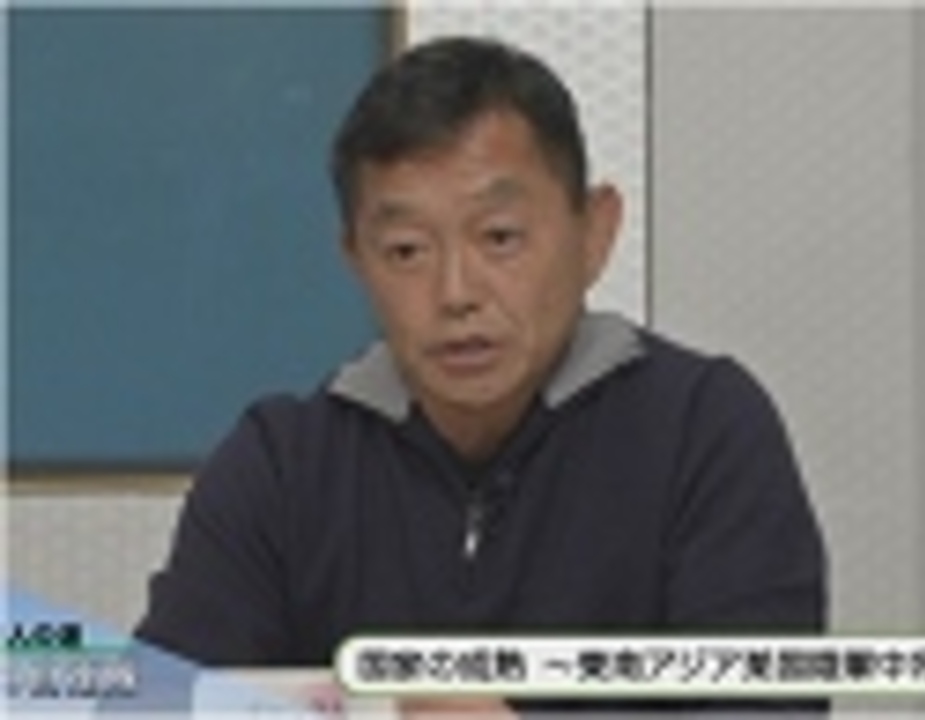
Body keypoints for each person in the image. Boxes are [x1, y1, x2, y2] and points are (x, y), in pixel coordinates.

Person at [135, 36, 827, 715]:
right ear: (357, 261)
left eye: (499, 238)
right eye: (406, 250)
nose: (456, 293)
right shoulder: (282, 466)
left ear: (595, 233)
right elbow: (164, 703)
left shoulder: (702, 430)